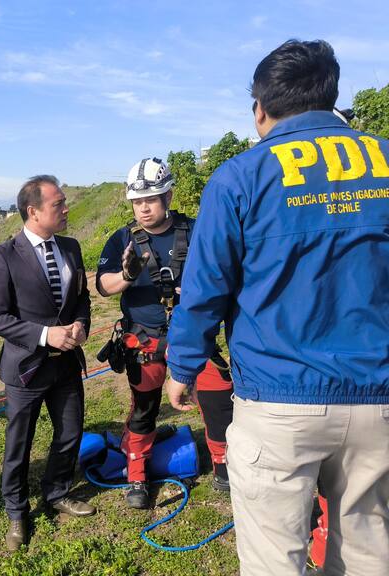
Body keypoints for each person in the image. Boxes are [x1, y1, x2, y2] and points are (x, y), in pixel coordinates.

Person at [164, 39, 389, 576]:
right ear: (331, 95)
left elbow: (206, 288)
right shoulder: (382, 158)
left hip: (278, 398)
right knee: (368, 550)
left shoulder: (242, 176)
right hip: (379, 394)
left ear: (260, 109)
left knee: (274, 559)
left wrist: (183, 367)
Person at [95, 157, 233, 509]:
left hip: (193, 336)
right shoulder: (123, 238)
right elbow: (103, 286)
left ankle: (224, 466)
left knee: (217, 401)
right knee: (144, 408)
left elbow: (223, 273)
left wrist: (199, 290)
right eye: (137, 202)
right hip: (145, 339)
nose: (143, 208)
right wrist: (127, 276)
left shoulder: (196, 230)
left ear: (168, 197)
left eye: (151, 200)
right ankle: (137, 474)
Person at [0, 175, 95, 551]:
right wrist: (46, 335)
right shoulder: (4, 255)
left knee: (70, 432)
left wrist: (80, 324)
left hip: (65, 365)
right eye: (58, 204)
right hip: (26, 367)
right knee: (19, 444)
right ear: (33, 211)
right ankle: (17, 512)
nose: (65, 209)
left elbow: (80, 297)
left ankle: (57, 491)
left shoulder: (71, 247)